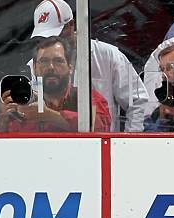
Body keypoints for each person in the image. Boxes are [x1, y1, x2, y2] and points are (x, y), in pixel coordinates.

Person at [29, 0, 148, 132]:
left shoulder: (108, 55)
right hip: (49, 144)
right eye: (45, 37)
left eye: (56, 34)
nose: (52, 41)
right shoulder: (35, 64)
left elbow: (137, 100)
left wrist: (128, 140)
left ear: (71, 25)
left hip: (100, 145)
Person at [0, 36, 111, 132]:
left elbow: (99, 127)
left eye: (58, 61)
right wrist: (2, 121)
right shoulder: (22, 101)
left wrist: (48, 115)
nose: (51, 67)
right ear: (34, 68)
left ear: (70, 68)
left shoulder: (87, 98)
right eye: (44, 61)